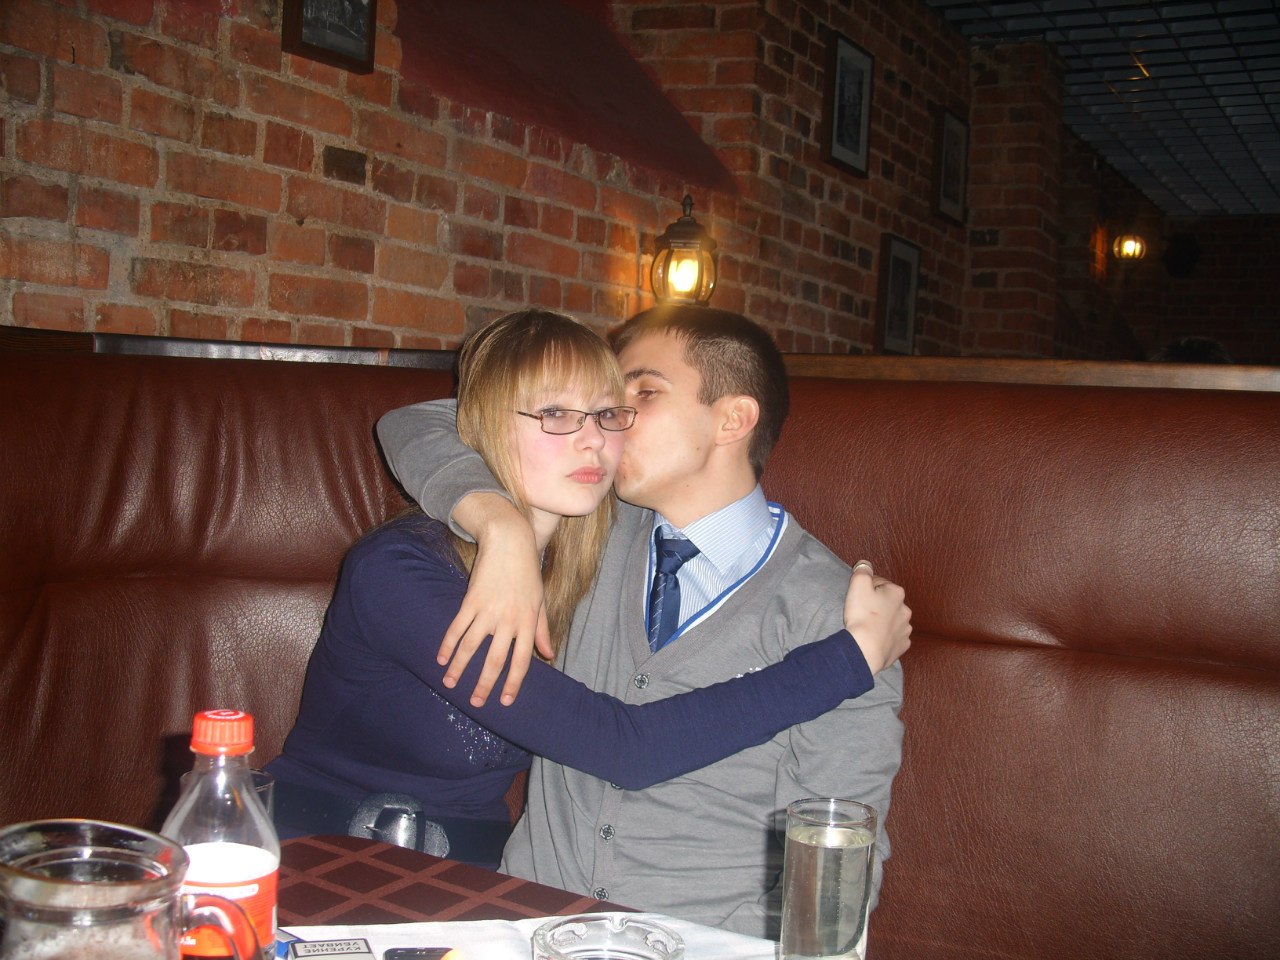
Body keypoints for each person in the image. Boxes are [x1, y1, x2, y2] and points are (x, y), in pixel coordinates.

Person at [270, 309, 909, 871]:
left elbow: (845, 840)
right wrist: (500, 526)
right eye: (555, 413)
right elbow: (622, 748)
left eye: (612, 411)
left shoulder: (601, 552)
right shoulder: (399, 571)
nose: (598, 436)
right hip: (321, 858)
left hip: (475, 890)